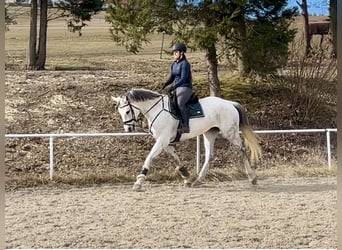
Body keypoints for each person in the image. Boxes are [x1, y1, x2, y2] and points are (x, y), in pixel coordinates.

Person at [161, 42, 193, 134]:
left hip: (185, 87)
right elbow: (172, 78)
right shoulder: (174, 64)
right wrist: (165, 84)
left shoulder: (185, 64)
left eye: (176, 52)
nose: (174, 54)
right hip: (177, 87)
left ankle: (186, 126)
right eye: (173, 52)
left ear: (182, 53)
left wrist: (173, 86)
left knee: (180, 103)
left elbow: (183, 79)